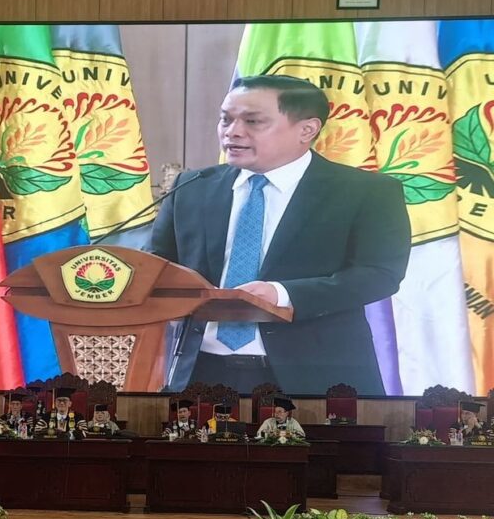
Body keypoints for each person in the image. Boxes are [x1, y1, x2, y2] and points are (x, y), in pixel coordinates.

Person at [148, 74, 410, 395]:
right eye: (226, 119)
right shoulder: (193, 187)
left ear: (307, 130)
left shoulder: (366, 192)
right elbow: (156, 268)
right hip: (200, 374)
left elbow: (379, 275)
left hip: (315, 378)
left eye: (253, 121)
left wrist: (282, 294)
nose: (233, 132)